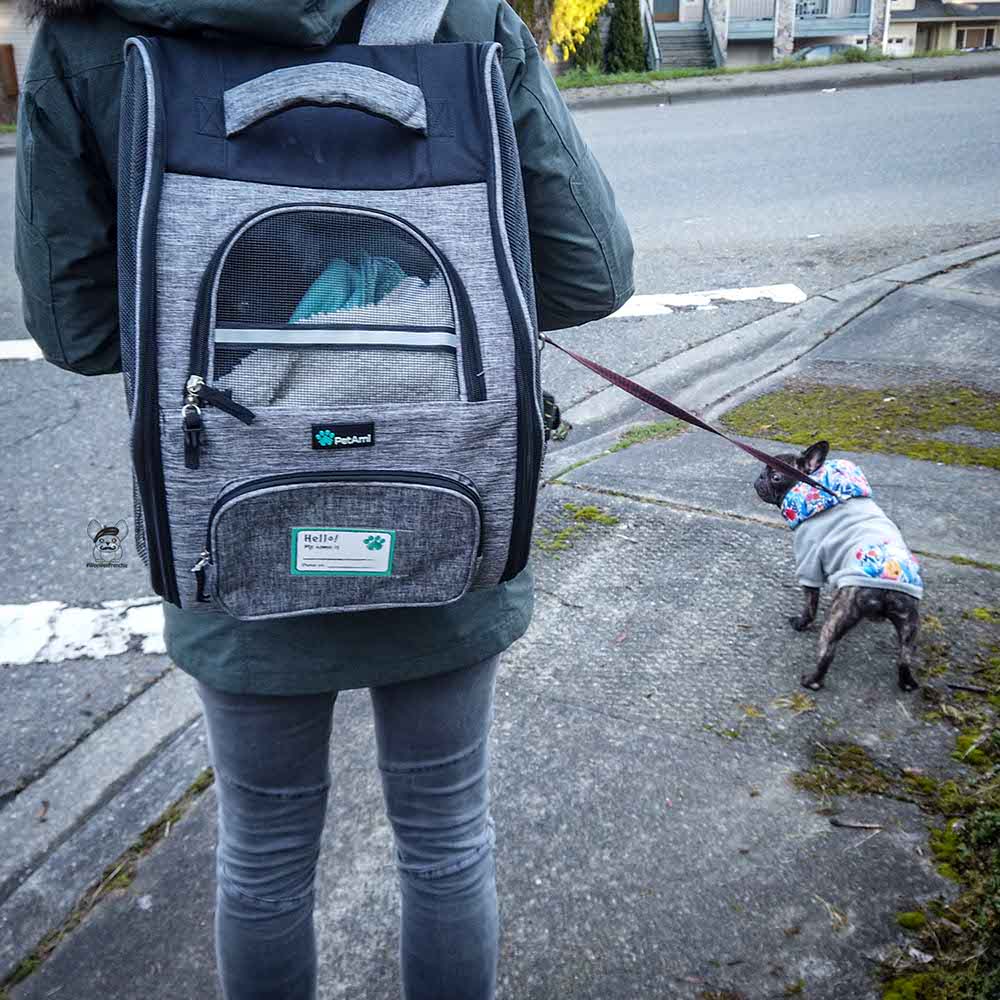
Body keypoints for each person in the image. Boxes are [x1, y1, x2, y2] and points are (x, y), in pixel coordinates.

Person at [14, 1, 634, 997]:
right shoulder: (461, 14)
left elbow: (80, 331)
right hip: (446, 510)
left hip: (231, 508)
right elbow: (590, 274)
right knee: (443, 842)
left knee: (261, 859)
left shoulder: (90, 38)